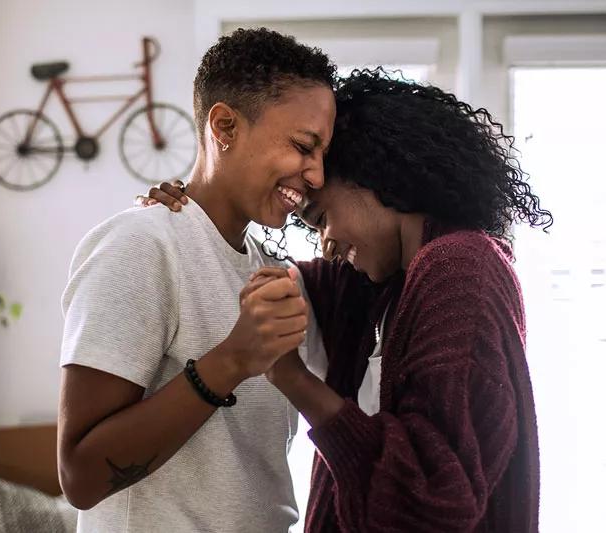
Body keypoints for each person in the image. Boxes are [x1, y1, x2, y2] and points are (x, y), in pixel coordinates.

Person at [143, 68, 552, 532]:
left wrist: (293, 379)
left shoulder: (462, 268)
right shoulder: (378, 286)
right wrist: (194, 211)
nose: (326, 243)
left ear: (375, 177)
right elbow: (264, 275)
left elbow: (435, 498)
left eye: (322, 218)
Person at [57, 28, 335, 532]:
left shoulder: (269, 266)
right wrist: (231, 361)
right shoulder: (140, 246)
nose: (315, 174)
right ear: (225, 126)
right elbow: (79, 477)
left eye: (322, 156)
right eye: (302, 146)